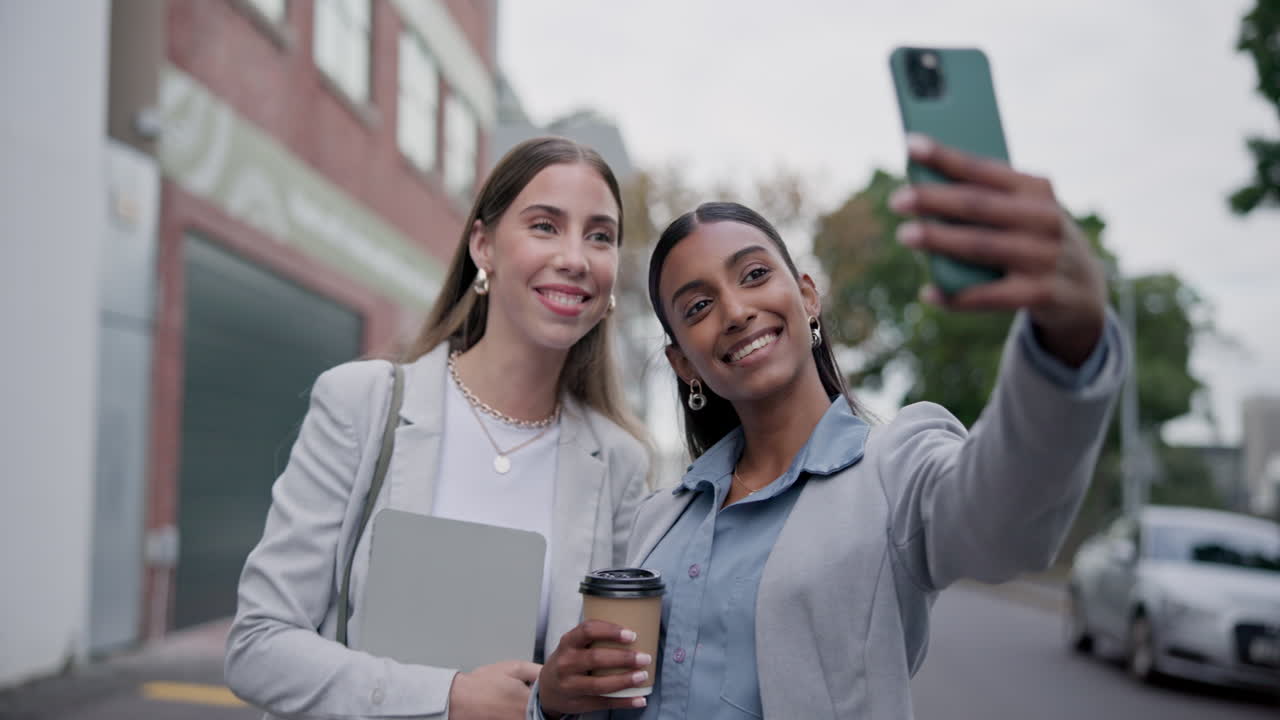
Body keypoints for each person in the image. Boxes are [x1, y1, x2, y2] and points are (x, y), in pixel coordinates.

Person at [533, 134, 1129, 719]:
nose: (736, 311)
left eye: (755, 275)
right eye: (698, 307)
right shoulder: (658, 520)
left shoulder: (897, 468)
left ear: (807, 296)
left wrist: (1067, 343)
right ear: (683, 361)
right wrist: (552, 703)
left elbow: (1006, 528)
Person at [225, 137, 651, 720]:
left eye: (599, 235)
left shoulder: (620, 464)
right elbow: (258, 647)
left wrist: (561, 697)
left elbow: (614, 692)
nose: (576, 257)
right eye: (545, 226)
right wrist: (448, 697)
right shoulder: (363, 404)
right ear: (484, 245)